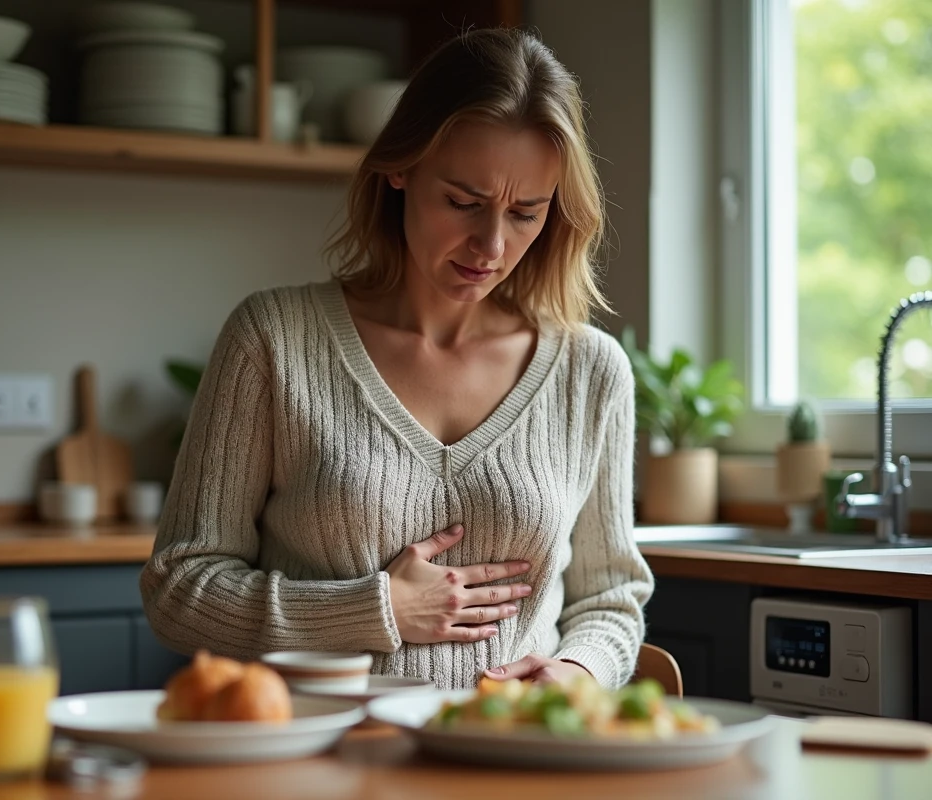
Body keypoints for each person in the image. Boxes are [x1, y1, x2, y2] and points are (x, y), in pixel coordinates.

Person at [140, 27, 653, 691]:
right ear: (400, 169)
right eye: (463, 203)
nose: (491, 244)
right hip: (319, 759)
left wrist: (578, 672)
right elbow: (179, 590)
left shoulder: (591, 372)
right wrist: (376, 608)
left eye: (526, 213)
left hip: (510, 763)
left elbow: (609, 599)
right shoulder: (272, 339)